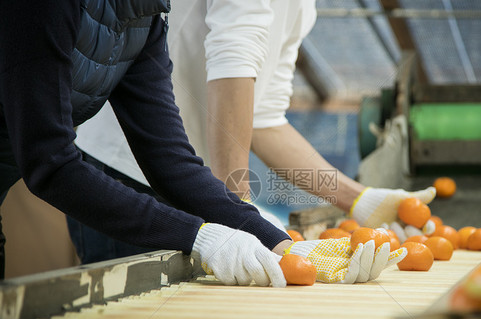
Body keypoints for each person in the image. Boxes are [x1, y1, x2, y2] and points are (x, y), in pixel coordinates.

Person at [0, 0, 399, 287]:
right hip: (103, 168)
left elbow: (172, 161)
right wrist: (202, 235)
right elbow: (49, 162)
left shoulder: (146, 16)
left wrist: (278, 242)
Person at [71, 0, 435, 262]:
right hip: (130, 165)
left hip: (192, 180)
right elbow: (233, 63)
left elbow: (265, 119)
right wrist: (237, 206)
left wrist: (358, 199)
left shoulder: (303, 7)